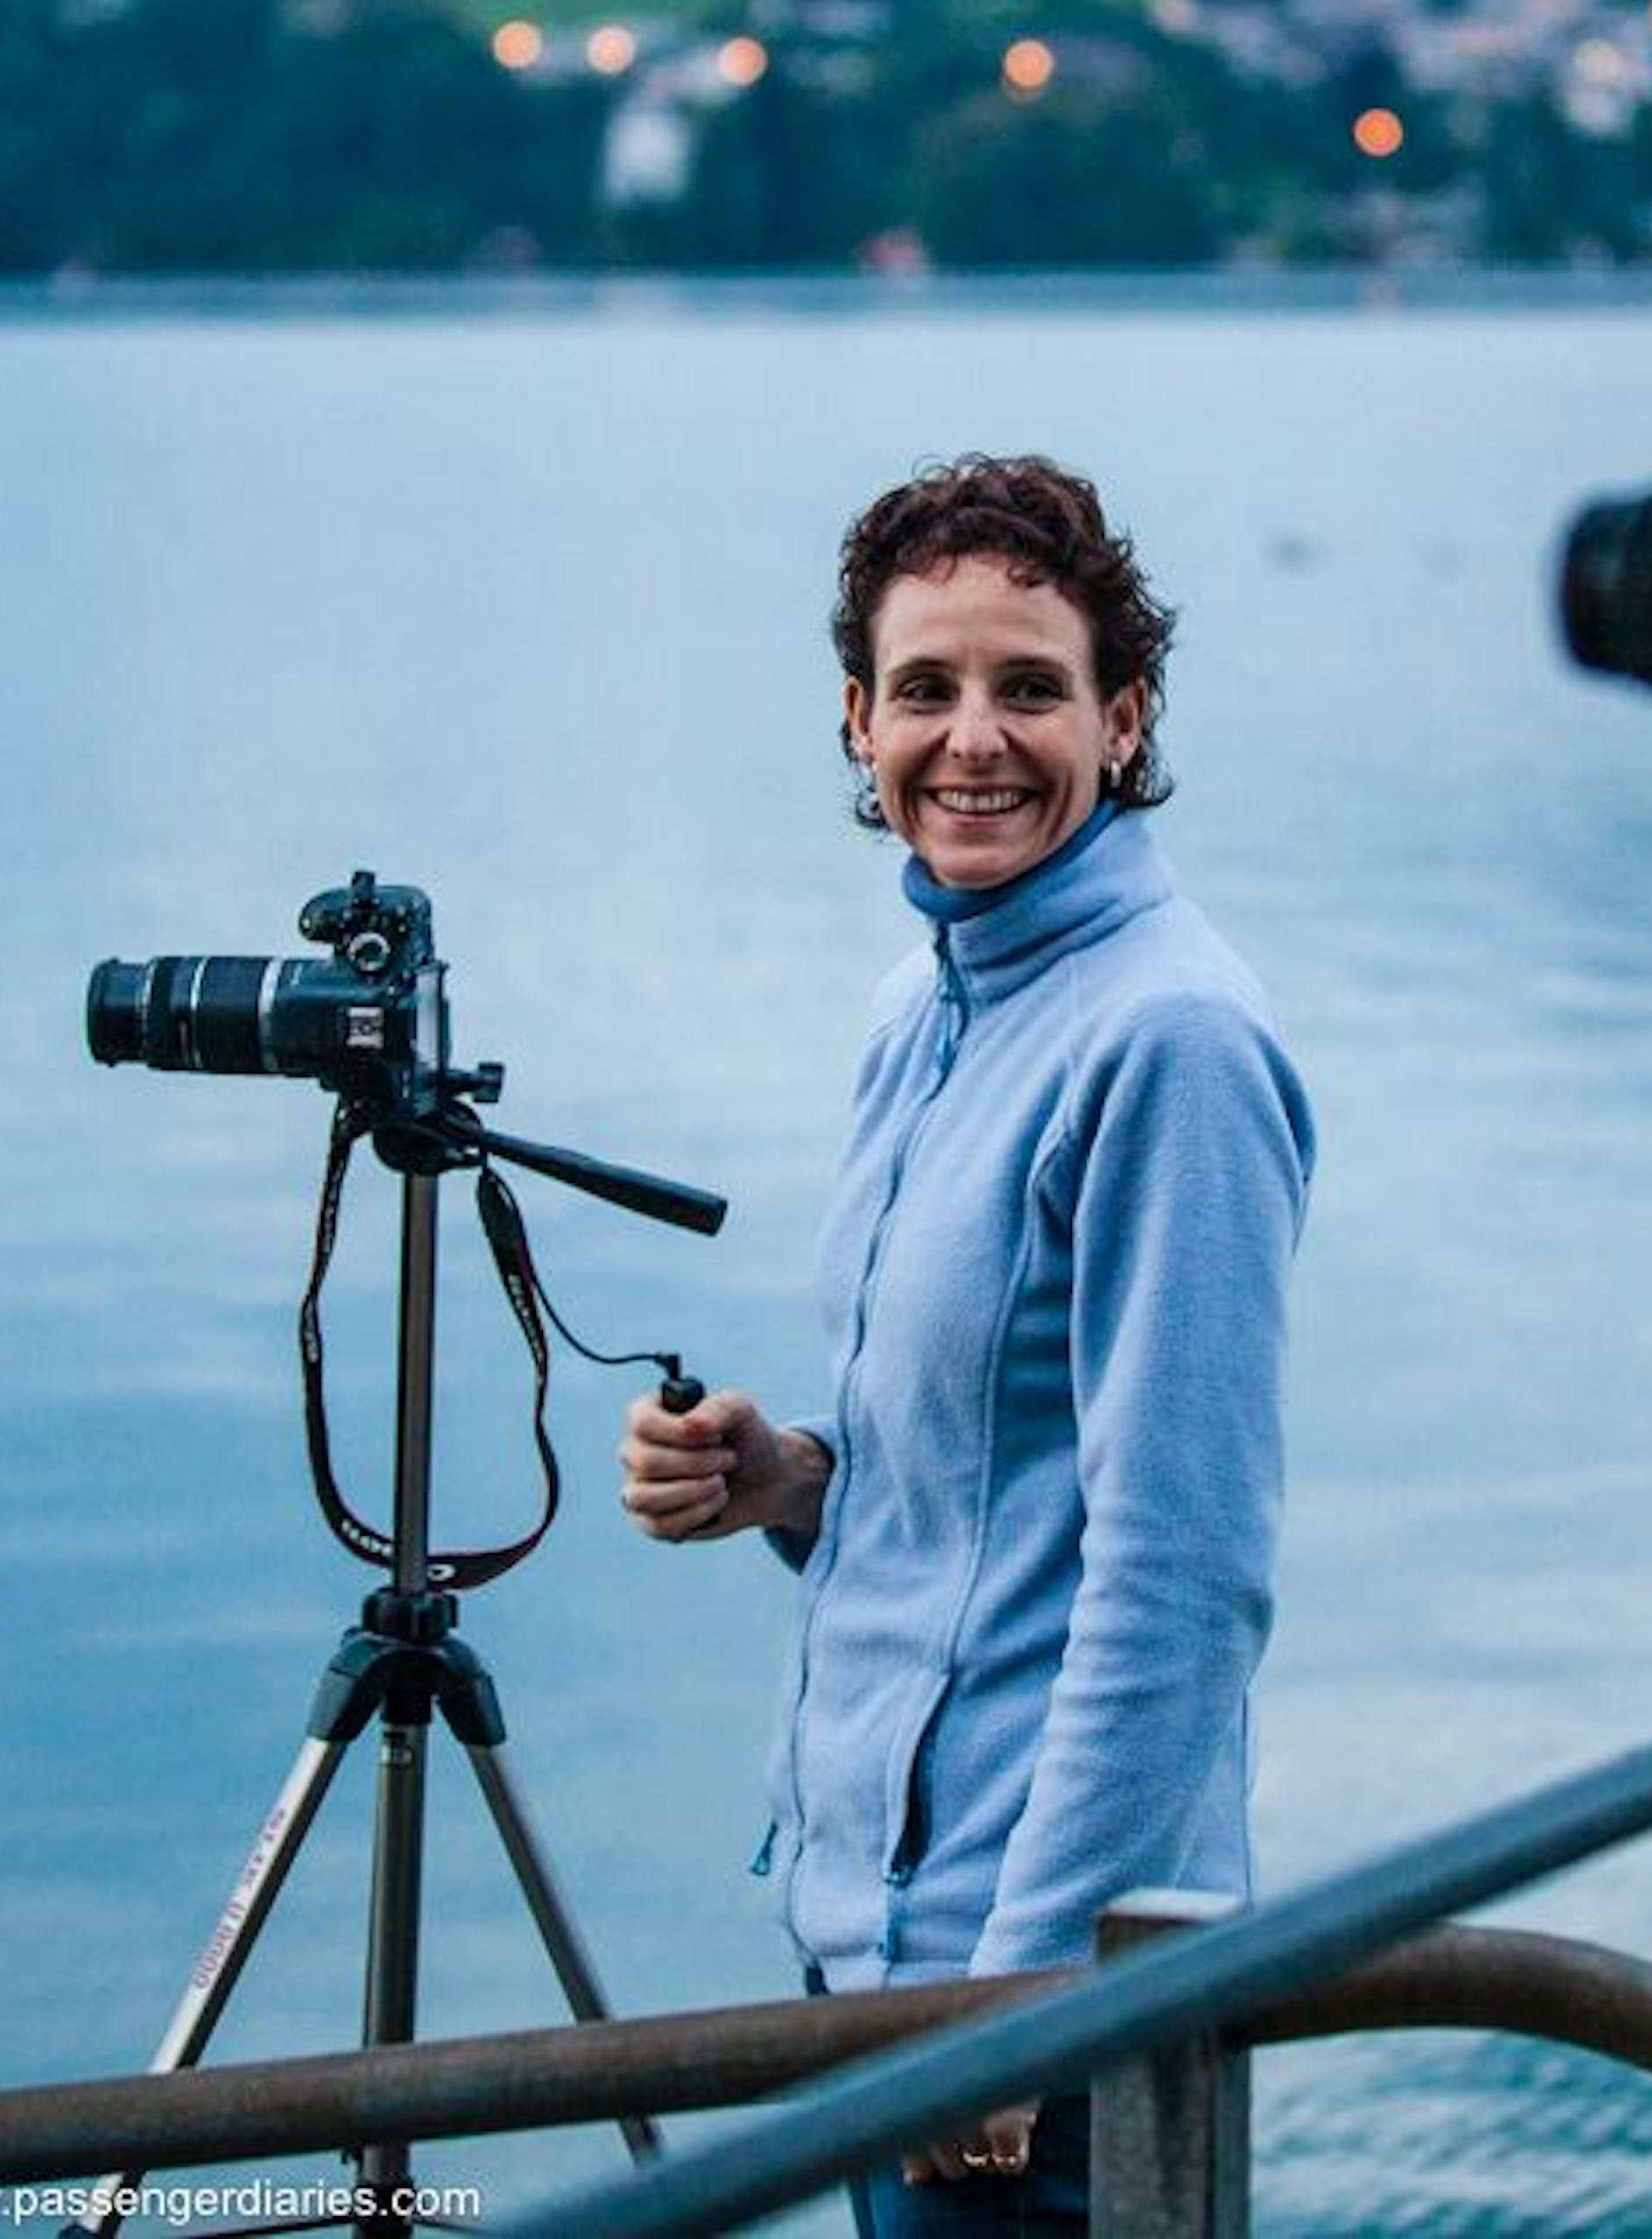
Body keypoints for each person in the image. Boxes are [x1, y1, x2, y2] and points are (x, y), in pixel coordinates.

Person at [619, 455, 1316, 2235]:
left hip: (1040, 2015)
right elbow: (980, 1485)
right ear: (859, 721)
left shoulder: (1172, 1046)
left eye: (1031, 686)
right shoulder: (919, 1008)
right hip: (880, 1955)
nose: (974, 738)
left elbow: (1183, 1583)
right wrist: (787, 1485)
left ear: (1125, 714)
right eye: (925, 688)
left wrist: (1017, 2012)